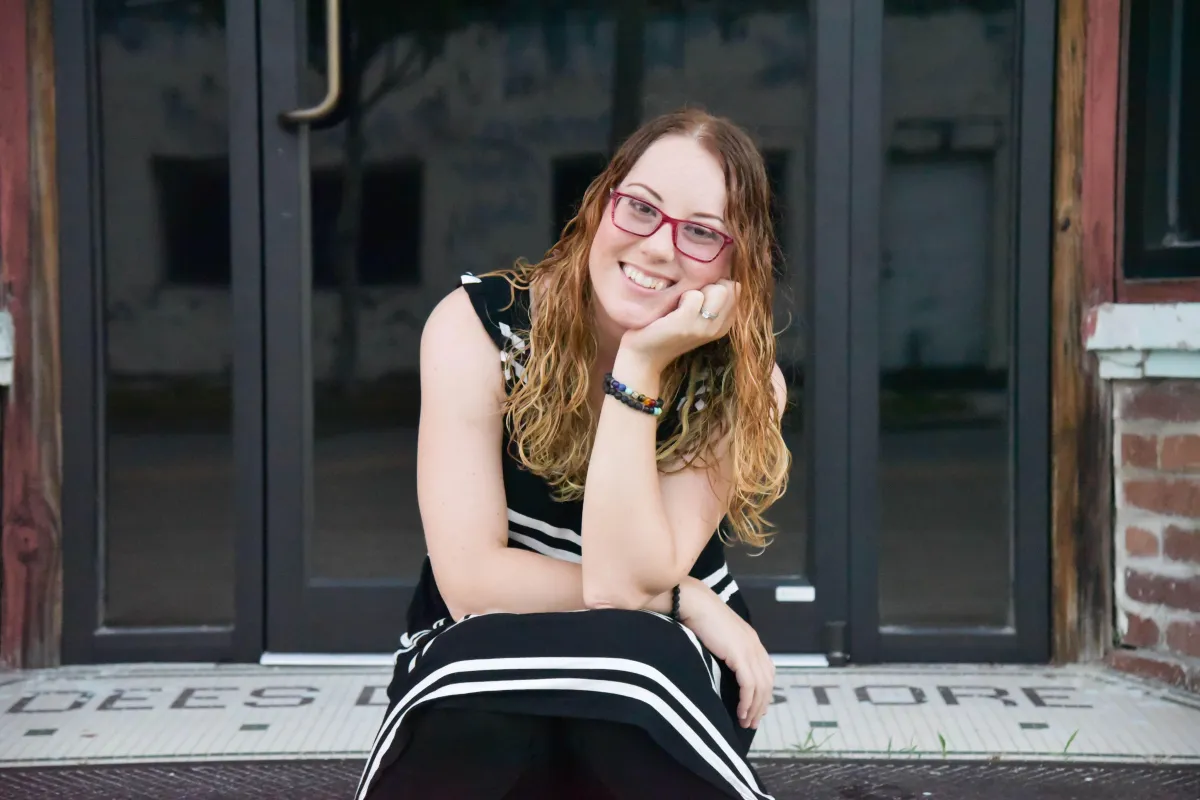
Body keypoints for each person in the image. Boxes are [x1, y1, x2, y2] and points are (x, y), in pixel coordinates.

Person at [356, 108, 790, 800]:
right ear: (601, 204)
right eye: (641, 209)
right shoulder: (479, 329)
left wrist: (640, 368)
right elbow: (470, 581)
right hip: (492, 638)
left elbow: (624, 589)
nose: (656, 247)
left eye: (702, 232)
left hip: (654, 664)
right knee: (482, 709)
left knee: (630, 678)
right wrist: (689, 601)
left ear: (738, 262)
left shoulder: (740, 380)